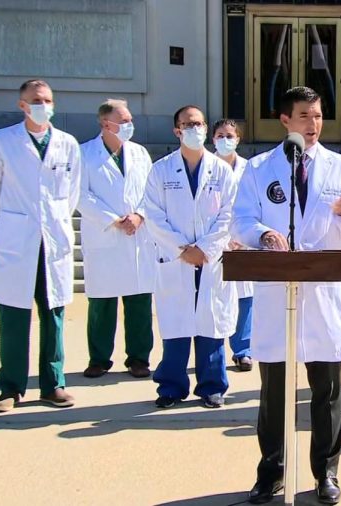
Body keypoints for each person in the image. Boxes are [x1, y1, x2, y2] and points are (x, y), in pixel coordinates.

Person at [231, 86, 341, 505]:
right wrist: (263, 233)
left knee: (326, 390)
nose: (314, 124)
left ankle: (326, 472)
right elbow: (241, 220)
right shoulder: (258, 169)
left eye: (319, 115)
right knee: (274, 390)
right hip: (277, 288)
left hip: (323, 289)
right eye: (305, 116)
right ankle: (270, 472)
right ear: (285, 121)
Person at [0, 79, 81, 412]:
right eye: (36, 100)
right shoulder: (2, 141)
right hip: (17, 241)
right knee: (13, 316)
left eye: (48, 99)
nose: (43, 105)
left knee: (54, 315)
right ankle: (10, 387)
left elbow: (71, 193)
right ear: (22, 104)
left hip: (53, 241)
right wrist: (7, 226)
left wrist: (55, 225)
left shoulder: (67, 144)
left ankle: (53, 384)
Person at [142, 105, 238, 409]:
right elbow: (154, 215)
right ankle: (171, 387)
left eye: (198, 124)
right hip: (177, 260)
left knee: (211, 326)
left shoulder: (222, 170)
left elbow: (229, 215)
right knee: (176, 327)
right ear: (177, 131)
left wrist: (205, 249)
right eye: (187, 124)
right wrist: (182, 249)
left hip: (210, 259)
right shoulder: (161, 170)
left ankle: (212, 386)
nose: (193, 129)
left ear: (206, 128)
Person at [78, 99, 156, 379]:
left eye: (129, 120)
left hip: (137, 234)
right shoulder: (84, 154)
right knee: (102, 302)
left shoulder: (140, 153)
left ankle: (138, 358)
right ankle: (98, 358)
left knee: (139, 301)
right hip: (105, 235)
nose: (128, 126)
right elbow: (80, 194)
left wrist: (138, 215)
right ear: (104, 123)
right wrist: (113, 219)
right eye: (122, 121)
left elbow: (152, 192)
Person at [212, 118, 254, 372]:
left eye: (230, 135)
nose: (225, 140)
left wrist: (244, 237)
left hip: (243, 242)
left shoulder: (251, 169)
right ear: (212, 139)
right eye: (220, 135)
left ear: (238, 139)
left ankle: (243, 350)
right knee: (216, 297)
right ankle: (214, 349)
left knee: (245, 297)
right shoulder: (206, 167)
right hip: (215, 242)